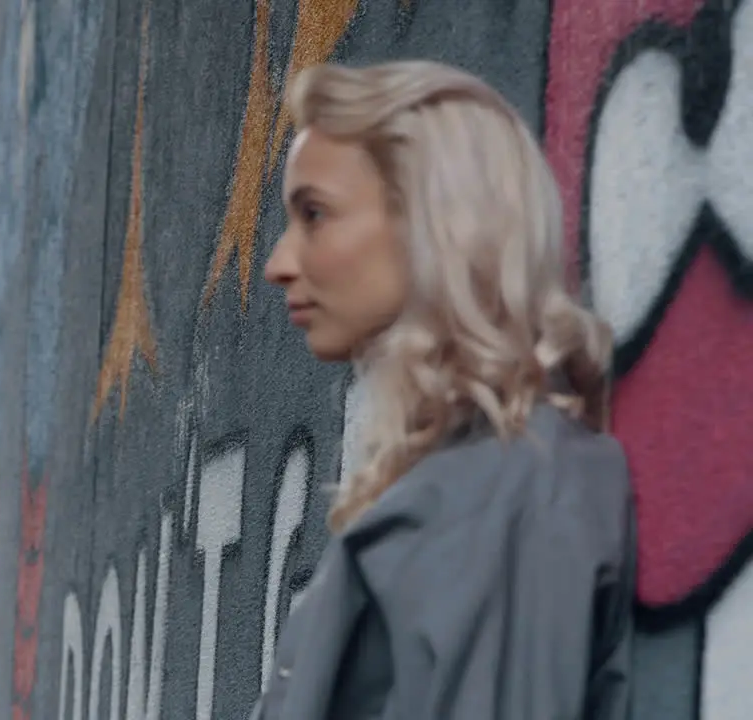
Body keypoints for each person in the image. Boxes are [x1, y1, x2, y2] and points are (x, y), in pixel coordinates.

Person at [254, 60, 634, 720]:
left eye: (314, 214)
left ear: (430, 221)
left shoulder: (513, 482)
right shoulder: (476, 479)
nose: (279, 265)